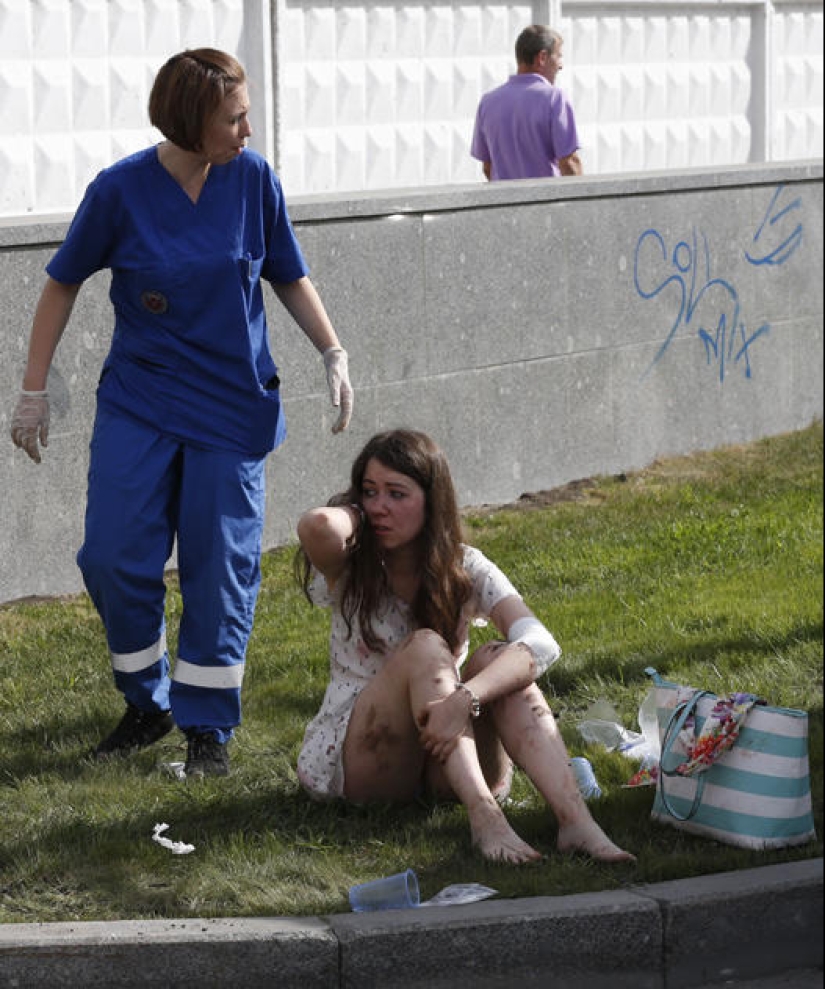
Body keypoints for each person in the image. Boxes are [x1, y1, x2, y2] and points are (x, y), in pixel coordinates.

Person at [8, 48, 354, 778]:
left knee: (217, 565)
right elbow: (60, 283)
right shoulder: (119, 192)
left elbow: (286, 270)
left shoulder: (253, 180)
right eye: (234, 118)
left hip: (231, 407)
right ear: (191, 121)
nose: (248, 130)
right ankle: (148, 700)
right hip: (142, 399)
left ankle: (205, 725)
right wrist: (32, 388)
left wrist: (331, 350)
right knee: (110, 554)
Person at [294, 429, 634, 864]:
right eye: (370, 492)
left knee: (499, 658)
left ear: (432, 502)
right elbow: (316, 525)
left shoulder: (463, 565)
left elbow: (541, 644)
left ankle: (576, 821)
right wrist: (360, 511)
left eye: (397, 494)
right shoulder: (350, 564)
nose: (380, 507)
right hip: (367, 759)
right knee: (425, 647)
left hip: (446, 747)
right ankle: (485, 818)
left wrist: (467, 698)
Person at [471, 24, 583, 181]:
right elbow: (569, 163)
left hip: (503, 203)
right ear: (542, 57)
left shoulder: (488, 102)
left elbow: (488, 167)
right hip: (546, 202)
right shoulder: (554, 98)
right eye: (558, 56)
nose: (560, 65)